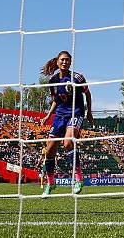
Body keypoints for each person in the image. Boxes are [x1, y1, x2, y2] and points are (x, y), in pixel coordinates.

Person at [39, 51, 93, 197]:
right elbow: (56, 99)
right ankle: (50, 183)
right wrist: (49, 114)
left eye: (67, 60)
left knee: (67, 143)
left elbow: (87, 94)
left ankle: (78, 179)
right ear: (57, 62)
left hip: (76, 113)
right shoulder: (53, 81)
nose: (64, 62)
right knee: (49, 150)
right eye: (62, 60)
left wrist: (89, 112)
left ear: (70, 62)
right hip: (60, 115)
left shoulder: (77, 78)